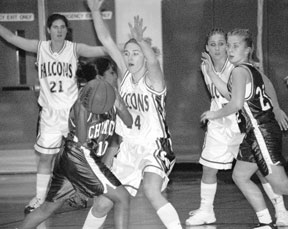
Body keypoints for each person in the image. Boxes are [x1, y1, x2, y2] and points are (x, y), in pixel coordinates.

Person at [83, 1, 182, 228]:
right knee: (101, 204)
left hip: (154, 146)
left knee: (151, 189)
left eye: (135, 53)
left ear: (144, 56)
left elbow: (154, 62)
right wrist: (95, 11)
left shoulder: (154, 81)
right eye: (127, 53)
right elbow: (107, 41)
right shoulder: (125, 76)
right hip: (128, 149)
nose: (129, 56)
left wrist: (141, 41)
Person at [0, 14, 108, 214]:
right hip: (50, 115)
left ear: (67, 30)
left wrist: (124, 45)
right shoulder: (39, 47)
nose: (59, 30)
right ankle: (39, 198)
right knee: (45, 159)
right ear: (48, 29)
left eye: (63, 27)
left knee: (80, 157)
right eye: (56, 27)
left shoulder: (74, 49)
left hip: (72, 114)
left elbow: (102, 49)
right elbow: (11, 38)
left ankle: (84, 193)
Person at [186, 28, 288, 227]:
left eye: (231, 45)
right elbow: (226, 91)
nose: (224, 49)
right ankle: (264, 222)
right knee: (238, 175)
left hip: (256, 128)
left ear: (246, 49)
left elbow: (236, 103)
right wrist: (211, 73)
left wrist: (276, 107)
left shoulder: (240, 70)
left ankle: (281, 211)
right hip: (250, 130)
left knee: (275, 181)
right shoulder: (229, 68)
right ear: (206, 48)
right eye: (214, 44)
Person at [18, 59, 133, 228]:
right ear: (99, 77)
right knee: (122, 198)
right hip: (80, 154)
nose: (116, 76)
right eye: (112, 72)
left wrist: (120, 106)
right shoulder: (83, 100)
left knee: (47, 208)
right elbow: (82, 138)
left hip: (71, 158)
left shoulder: (112, 95)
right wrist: (85, 109)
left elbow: (129, 123)